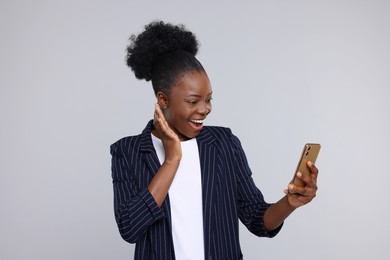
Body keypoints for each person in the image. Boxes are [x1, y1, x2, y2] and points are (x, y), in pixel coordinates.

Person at [110, 21, 319, 260]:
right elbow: (129, 228)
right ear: (163, 100)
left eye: (208, 99)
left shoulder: (223, 144)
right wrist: (172, 160)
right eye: (193, 101)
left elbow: (257, 219)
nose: (205, 109)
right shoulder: (128, 151)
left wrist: (290, 202)